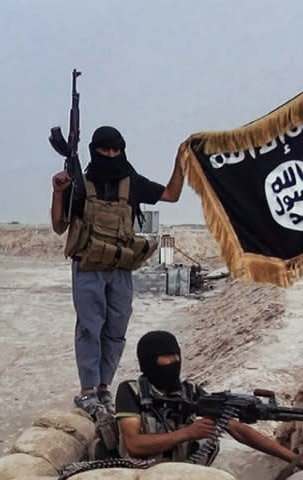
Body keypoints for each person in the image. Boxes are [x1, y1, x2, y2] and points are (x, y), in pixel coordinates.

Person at [51, 126, 184, 416]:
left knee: (115, 331)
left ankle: (103, 388)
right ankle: (88, 390)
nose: (111, 155)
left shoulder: (131, 182)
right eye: (104, 150)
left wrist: (181, 160)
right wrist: (58, 192)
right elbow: (60, 225)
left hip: (120, 266)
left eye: (115, 150)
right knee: (89, 328)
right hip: (88, 265)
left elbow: (172, 194)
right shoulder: (81, 183)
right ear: (94, 151)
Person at [115, 330, 303, 467]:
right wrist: (188, 433)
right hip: (140, 473)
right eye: (167, 358)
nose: (175, 362)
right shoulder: (131, 391)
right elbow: (134, 445)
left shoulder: (190, 391)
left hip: (183, 472)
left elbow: (239, 430)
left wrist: (292, 458)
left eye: (176, 356)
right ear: (148, 360)